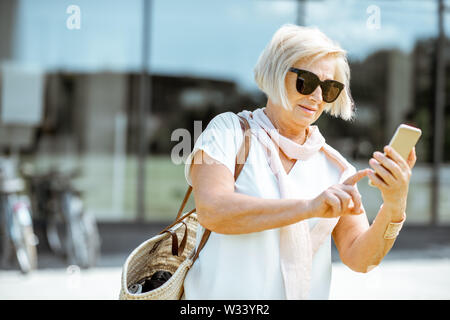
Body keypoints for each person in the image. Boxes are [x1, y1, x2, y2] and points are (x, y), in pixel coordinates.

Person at [182, 24, 417, 300]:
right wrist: (308, 207)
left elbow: (360, 258)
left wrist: (394, 205)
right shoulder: (228, 131)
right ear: (276, 73)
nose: (317, 97)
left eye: (329, 88)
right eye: (306, 81)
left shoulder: (337, 169)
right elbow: (213, 210)